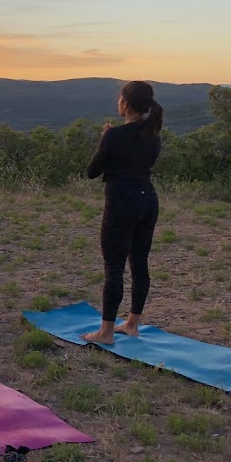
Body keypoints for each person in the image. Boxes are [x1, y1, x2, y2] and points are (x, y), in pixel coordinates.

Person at [82, 80, 164, 344]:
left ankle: (106, 332)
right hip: (147, 200)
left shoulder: (114, 135)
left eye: (119, 99)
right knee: (139, 263)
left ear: (125, 104)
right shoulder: (153, 135)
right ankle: (132, 324)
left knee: (114, 268)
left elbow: (92, 172)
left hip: (121, 203)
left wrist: (104, 141)